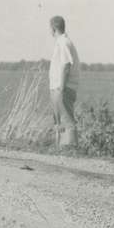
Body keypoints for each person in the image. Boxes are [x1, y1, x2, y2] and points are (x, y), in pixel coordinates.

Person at [48, 15, 80, 147]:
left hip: (63, 88)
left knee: (66, 119)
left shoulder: (63, 42)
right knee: (59, 120)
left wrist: (61, 87)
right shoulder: (61, 42)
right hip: (58, 87)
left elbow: (66, 65)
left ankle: (70, 148)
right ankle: (61, 148)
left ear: (53, 28)